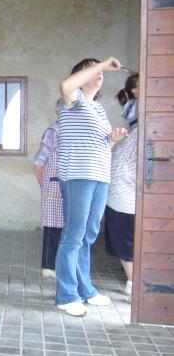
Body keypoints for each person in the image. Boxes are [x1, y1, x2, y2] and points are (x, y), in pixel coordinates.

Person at [55, 57, 128, 317]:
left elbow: (100, 146)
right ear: (81, 75)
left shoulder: (98, 109)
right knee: (73, 235)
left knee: (88, 236)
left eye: (101, 71)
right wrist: (103, 63)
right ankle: (66, 295)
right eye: (92, 69)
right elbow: (65, 85)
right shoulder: (71, 101)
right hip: (77, 175)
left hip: (100, 176)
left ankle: (85, 290)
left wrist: (112, 140)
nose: (100, 74)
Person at [104, 73, 139, 300]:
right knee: (127, 241)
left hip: (122, 193)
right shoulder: (137, 129)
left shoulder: (136, 129)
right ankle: (133, 282)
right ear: (135, 91)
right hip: (123, 194)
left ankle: (133, 281)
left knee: (127, 241)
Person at [33, 121, 63, 278]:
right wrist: (45, 187)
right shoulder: (55, 129)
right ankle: (49, 266)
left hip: (73, 184)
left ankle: (62, 265)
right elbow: (39, 163)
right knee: (53, 225)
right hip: (55, 183)